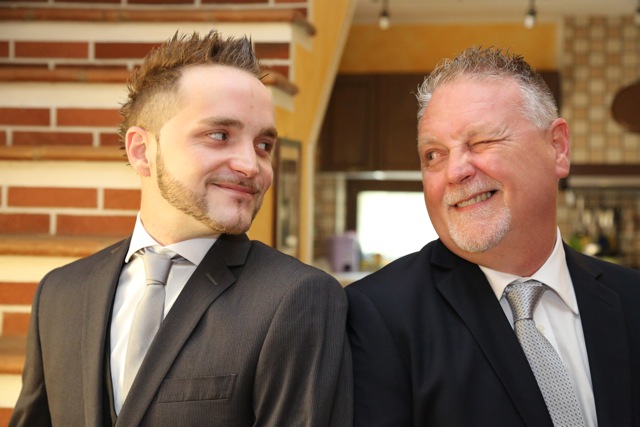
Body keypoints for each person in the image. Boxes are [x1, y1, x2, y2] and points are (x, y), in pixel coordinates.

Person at [10, 30, 352, 427]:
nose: (251, 165)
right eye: (220, 135)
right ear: (142, 151)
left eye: (263, 145)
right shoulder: (60, 292)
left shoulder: (299, 299)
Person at [346, 46, 640, 426]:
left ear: (558, 148)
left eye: (482, 141)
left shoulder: (631, 299)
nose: (455, 171)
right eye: (433, 154)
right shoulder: (379, 316)